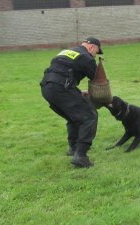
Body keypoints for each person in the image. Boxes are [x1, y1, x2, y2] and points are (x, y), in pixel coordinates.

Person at [40, 37, 103, 168]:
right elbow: (99, 81)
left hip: (47, 88)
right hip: (62, 88)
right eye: (96, 52)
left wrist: (77, 92)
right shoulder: (87, 57)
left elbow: (62, 74)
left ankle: (74, 149)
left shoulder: (66, 52)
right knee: (90, 116)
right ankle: (81, 155)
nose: (95, 55)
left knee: (74, 117)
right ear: (92, 47)